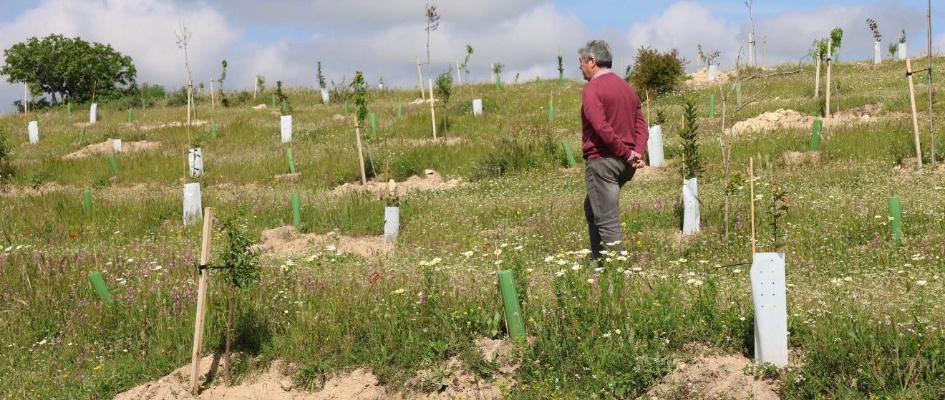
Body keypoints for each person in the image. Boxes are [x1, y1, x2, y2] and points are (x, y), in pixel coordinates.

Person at [578, 39, 649, 261]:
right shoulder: (627, 88)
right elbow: (641, 126)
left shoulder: (592, 89)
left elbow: (601, 128)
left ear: (592, 61)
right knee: (592, 208)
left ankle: (620, 275)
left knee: (607, 221)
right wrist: (636, 153)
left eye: (581, 62)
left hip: (604, 161)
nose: (579, 67)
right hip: (625, 165)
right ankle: (598, 264)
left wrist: (627, 154)